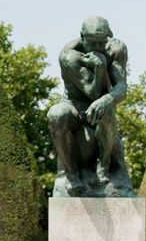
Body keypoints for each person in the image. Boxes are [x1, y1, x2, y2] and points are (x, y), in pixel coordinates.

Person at [47, 16, 134, 197]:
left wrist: (106, 100)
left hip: (101, 108)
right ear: (82, 37)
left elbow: (122, 87)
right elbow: (91, 92)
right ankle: (71, 173)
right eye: (92, 43)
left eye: (102, 42)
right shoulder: (69, 55)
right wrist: (100, 68)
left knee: (104, 108)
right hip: (74, 108)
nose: (97, 48)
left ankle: (103, 167)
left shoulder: (117, 48)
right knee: (56, 115)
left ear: (108, 37)